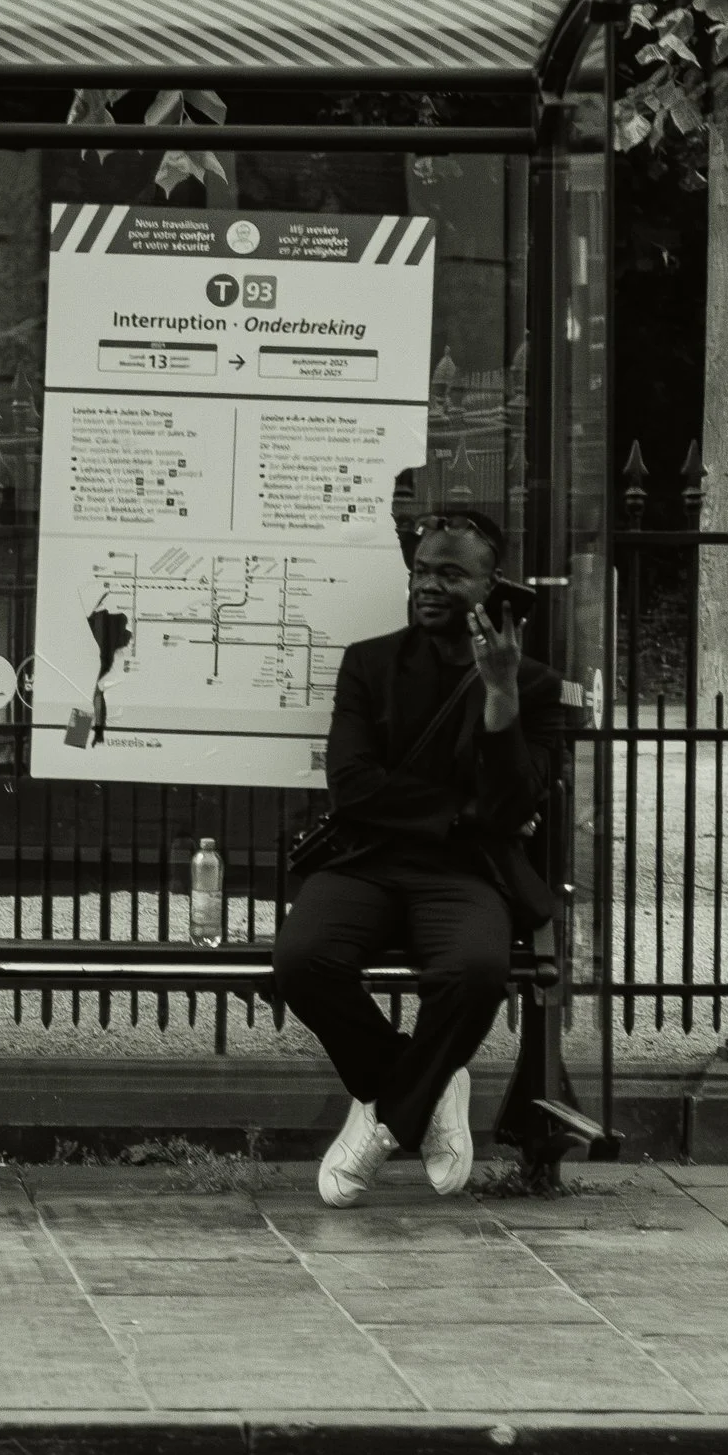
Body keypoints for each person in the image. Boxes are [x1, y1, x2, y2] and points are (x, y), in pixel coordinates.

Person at [273, 508, 569, 1208]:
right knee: (303, 959)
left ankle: (381, 1121)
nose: (429, 585)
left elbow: (513, 807)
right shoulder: (369, 663)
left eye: (450, 573)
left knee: (475, 971)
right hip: (365, 861)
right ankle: (428, 1087)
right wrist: (460, 813)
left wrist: (498, 694)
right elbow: (352, 788)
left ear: (493, 586)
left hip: (465, 875)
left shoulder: (528, 682)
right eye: (421, 570)